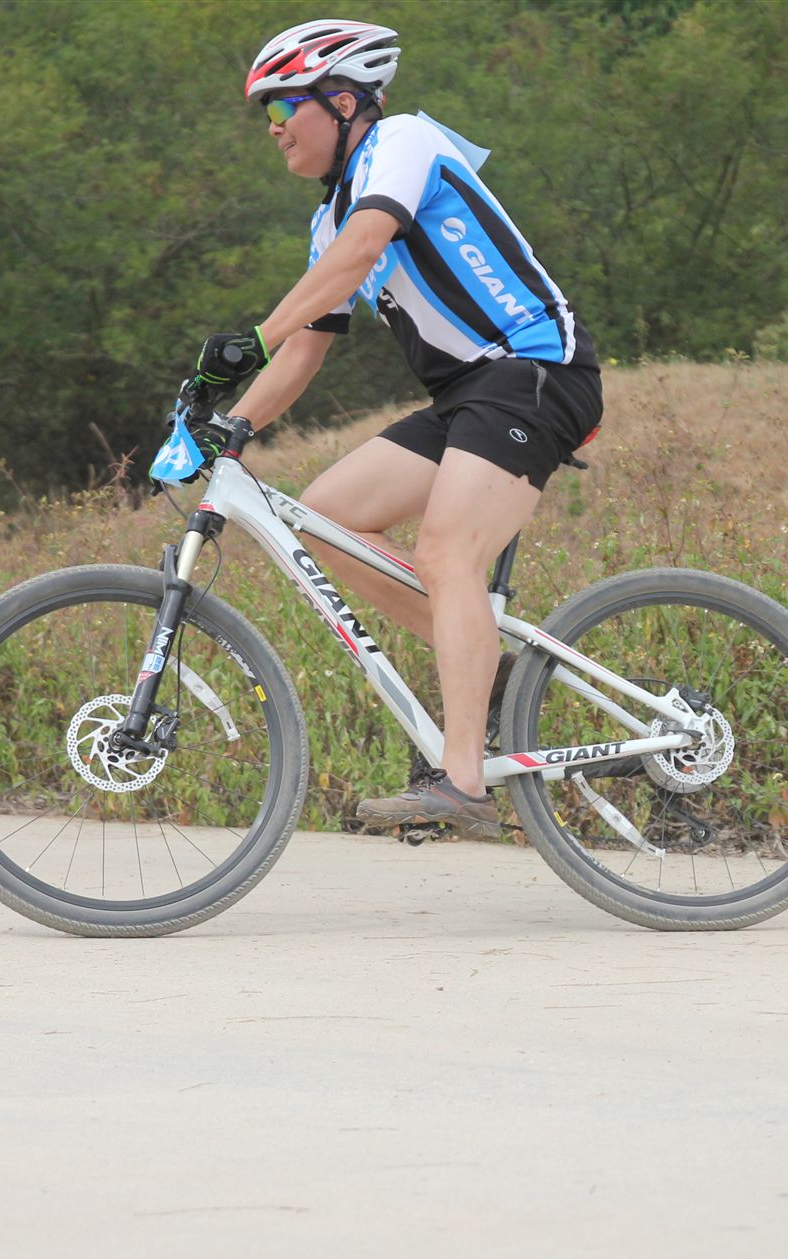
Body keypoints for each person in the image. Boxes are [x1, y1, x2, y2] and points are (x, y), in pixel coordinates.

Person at [189, 19, 603, 839]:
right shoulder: (327, 222)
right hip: (468, 395)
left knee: (447, 553)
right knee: (322, 516)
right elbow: (303, 352)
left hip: (532, 369)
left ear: (344, 103)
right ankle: (492, 672)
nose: (273, 129)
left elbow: (363, 247)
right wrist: (227, 423)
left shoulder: (403, 142)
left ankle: (464, 786)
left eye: (282, 107)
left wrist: (252, 337)